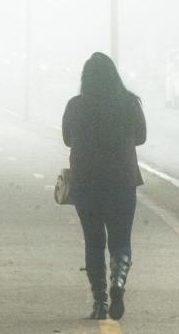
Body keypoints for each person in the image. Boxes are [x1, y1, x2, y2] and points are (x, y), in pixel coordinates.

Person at [61, 52, 146, 321]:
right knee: (121, 239)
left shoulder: (76, 105)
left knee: (94, 242)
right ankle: (118, 281)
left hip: (86, 184)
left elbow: (66, 139)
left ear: (85, 78)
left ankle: (99, 303)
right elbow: (141, 138)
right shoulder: (130, 103)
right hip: (122, 183)